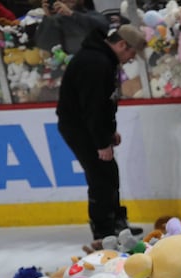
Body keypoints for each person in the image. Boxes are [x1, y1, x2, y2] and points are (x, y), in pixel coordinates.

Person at [56, 24, 145, 240]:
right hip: (80, 128)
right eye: (131, 53)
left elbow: (106, 104)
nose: (131, 59)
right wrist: (101, 143)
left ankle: (116, 222)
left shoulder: (104, 59)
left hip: (90, 126)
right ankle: (103, 230)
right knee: (100, 176)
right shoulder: (95, 63)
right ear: (122, 44)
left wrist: (109, 132)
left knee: (109, 173)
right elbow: (93, 108)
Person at [35, 0, 109, 55]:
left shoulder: (91, 15)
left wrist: (72, 14)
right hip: (65, 67)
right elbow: (43, 45)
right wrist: (48, 18)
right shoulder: (56, 20)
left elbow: (103, 27)